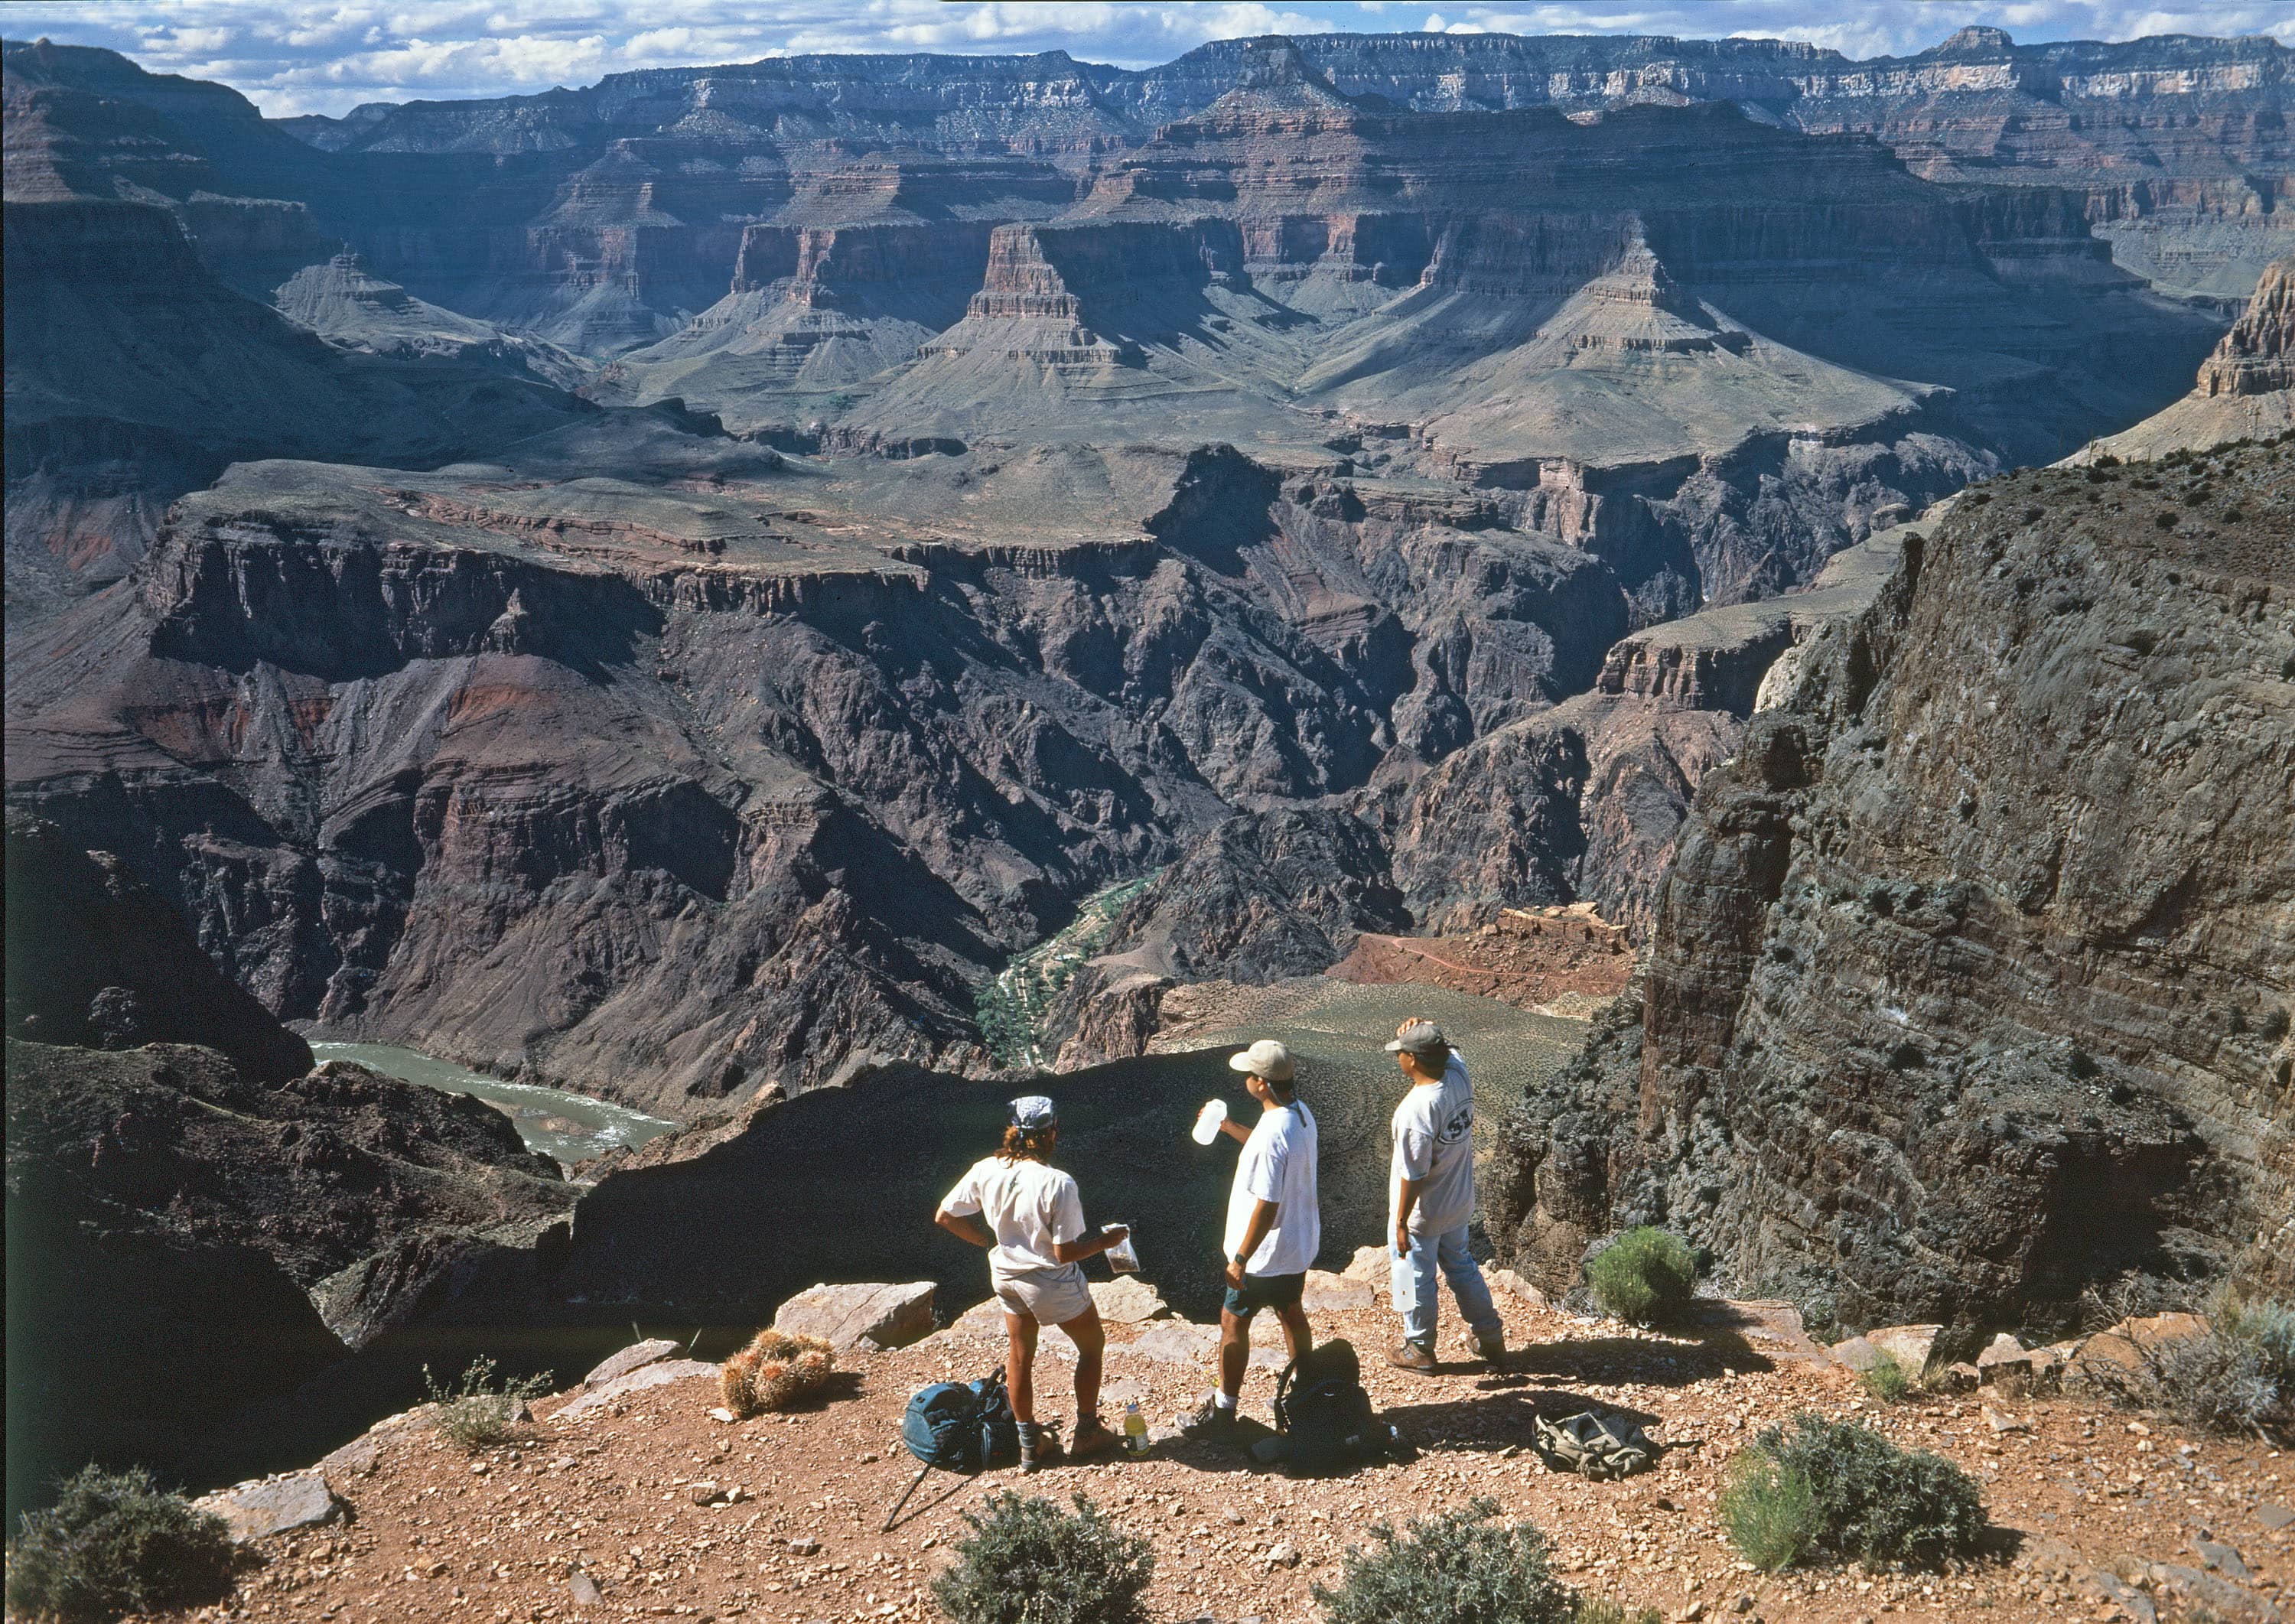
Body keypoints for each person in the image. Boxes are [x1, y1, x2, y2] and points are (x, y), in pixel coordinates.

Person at [935, 1095, 1128, 1471]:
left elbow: (945, 1215)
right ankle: (1087, 1432)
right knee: (1092, 1347)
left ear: (1013, 1131)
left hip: (1006, 1276)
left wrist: (986, 1242)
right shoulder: (1058, 1183)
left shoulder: (985, 1169)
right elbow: (1063, 1253)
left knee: (1020, 1356)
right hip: (1050, 1280)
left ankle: (1029, 1445)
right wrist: (1105, 1243)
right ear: (1051, 1133)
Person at [1177, 1038, 1320, 1438]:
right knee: (1291, 1311)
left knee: (1233, 1322)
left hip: (1264, 1255)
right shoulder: (1299, 1114)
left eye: (1249, 1074)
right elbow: (1265, 1145)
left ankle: (1223, 1413)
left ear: (1261, 1083)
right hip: (1296, 1244)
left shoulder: (1274, 1132)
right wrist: (1226, 1127)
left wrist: (1241, 1258)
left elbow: (1267, 1204)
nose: (1245, 1080)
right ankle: (1307, 1393)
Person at [1385, 1018, 1505, 1372]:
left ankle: (1419, 1347)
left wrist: (1401, 1222)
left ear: (1413, 1060)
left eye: (1401, 1052)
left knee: (1413, 1277)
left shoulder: (1414, 1111)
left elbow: (1413, 1175)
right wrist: (1424, 1028)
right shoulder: (1458, 1075)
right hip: (1458, 1201)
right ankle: (1490, 1336)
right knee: (1463, 1268)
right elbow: (1450, 1050)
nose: (1398, 1058)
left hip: (1423, 1214)